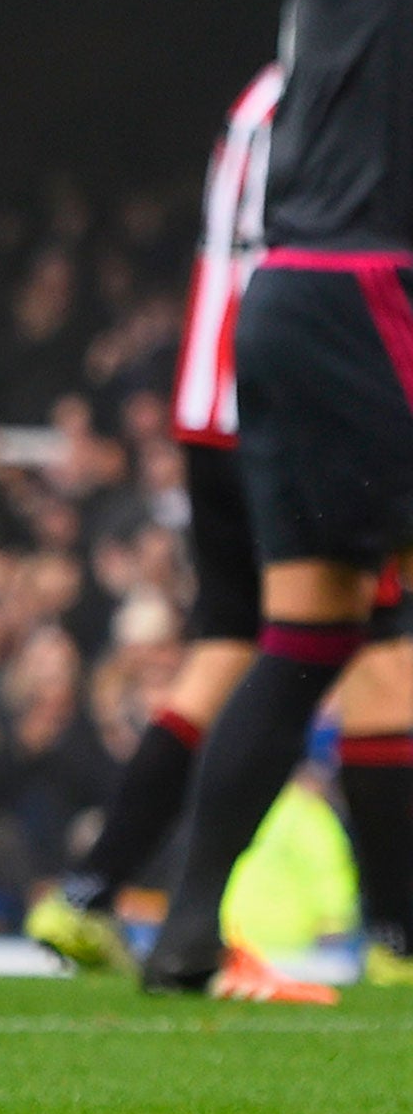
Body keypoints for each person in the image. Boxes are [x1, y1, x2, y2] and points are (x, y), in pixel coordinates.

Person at [26, 65, 413, 1000]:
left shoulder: (261, 94)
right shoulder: (356, 88)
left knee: (230, 647)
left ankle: (92, 887)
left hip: (214, 396)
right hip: (307, 390)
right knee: (374, 649)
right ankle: (396, 935)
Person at [142, 0, 413, 996]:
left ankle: (187, 927)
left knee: (306, 634)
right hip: (369, 292)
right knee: (320, 635)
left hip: (299, 301)